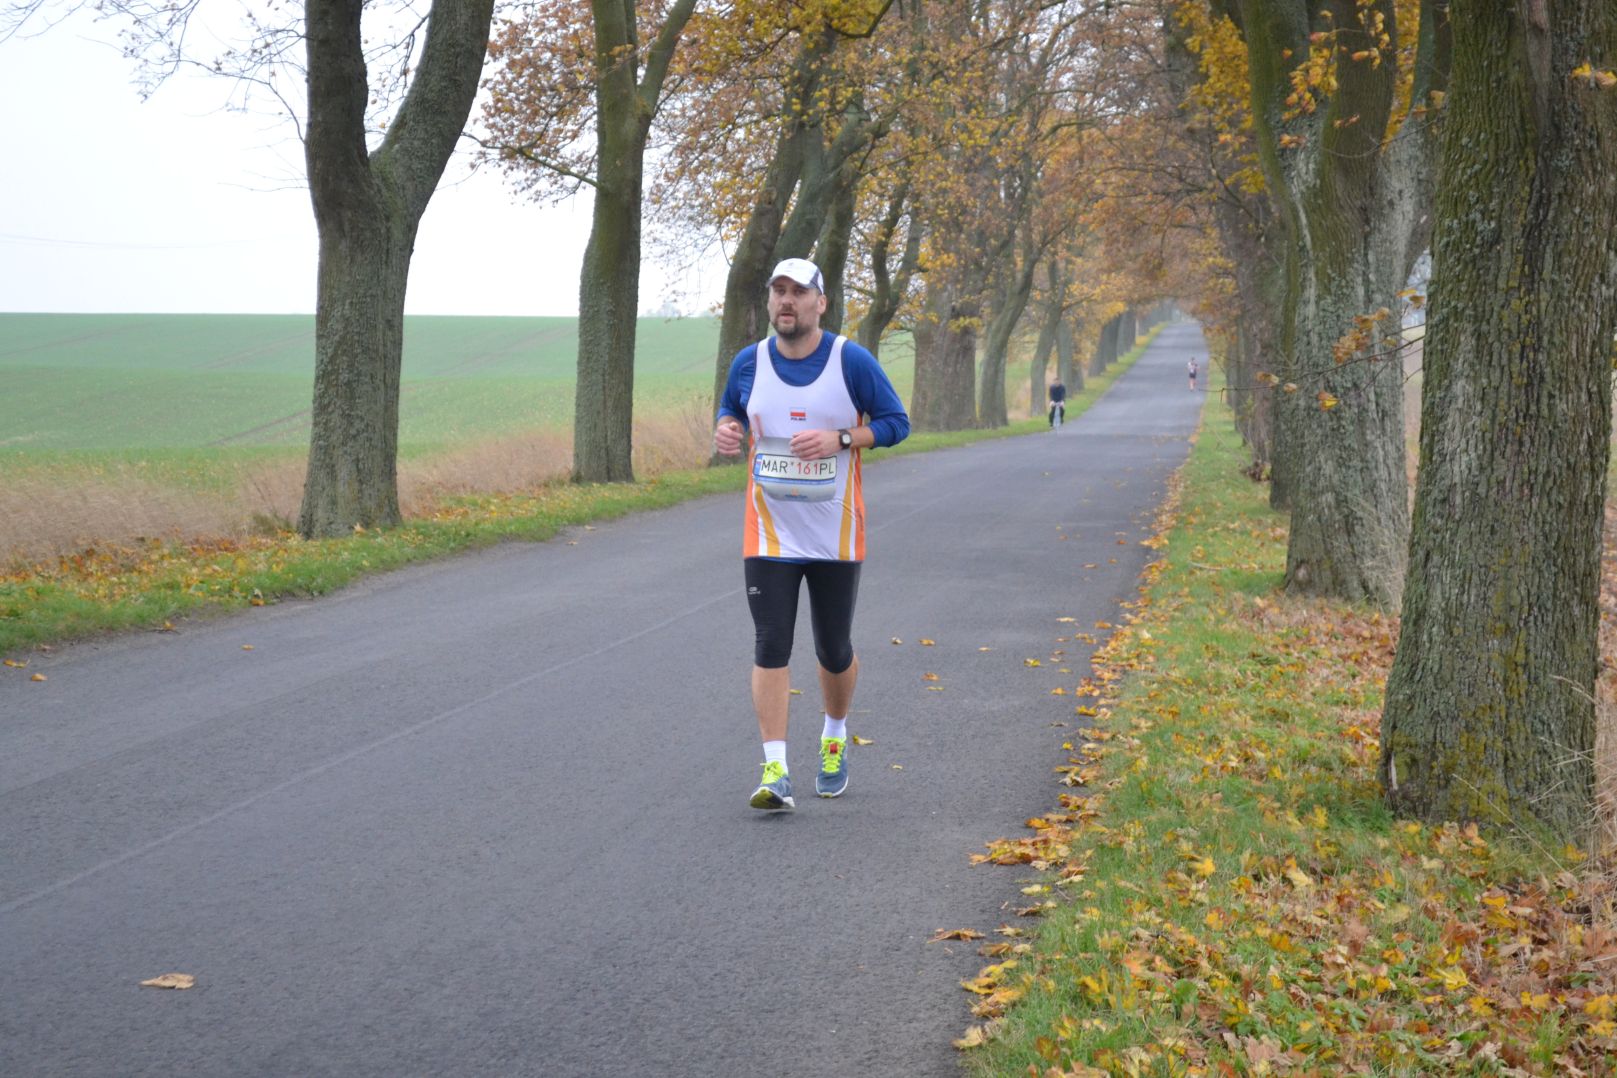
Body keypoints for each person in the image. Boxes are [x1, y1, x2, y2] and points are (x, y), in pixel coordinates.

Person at [713, 258, 910, 811]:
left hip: (835, 534)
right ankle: (775, 769)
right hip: (769, 533)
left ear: (820, 303)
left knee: (833, 648)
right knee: (770, 642)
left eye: (799, 291)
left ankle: (834, 736)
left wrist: (841, 439)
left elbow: (896, 423)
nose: (786, 300)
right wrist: (726, 429)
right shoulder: (749, 363)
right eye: (778, 290)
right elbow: (731, 411)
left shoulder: (851, 361)